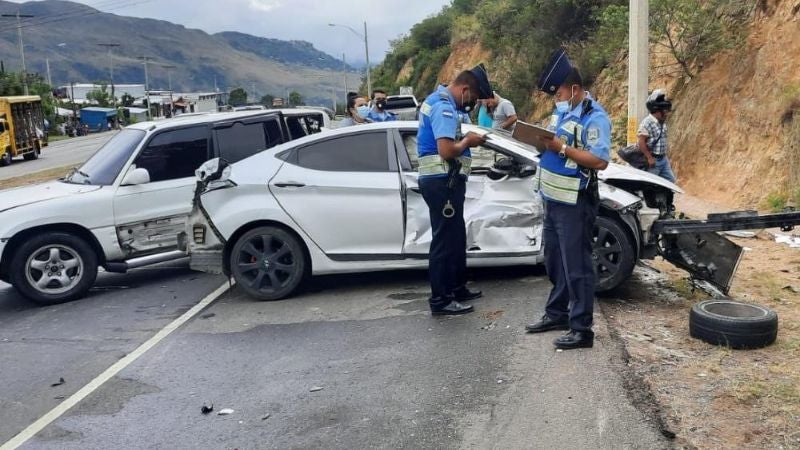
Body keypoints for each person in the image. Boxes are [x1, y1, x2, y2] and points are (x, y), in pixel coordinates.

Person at [525, 49, 611, 350]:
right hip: (552, 199)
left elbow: (599, 161)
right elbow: (552, 143)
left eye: (559, 94)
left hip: (575, 202)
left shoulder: (594, 117)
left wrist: (561, 148)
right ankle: (557, 313)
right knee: (555, 261)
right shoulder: (562, 112)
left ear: (574, 90)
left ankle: (581, 329)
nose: (556, 99)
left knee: (577, 267)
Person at [417, 64, 493, 316]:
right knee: (444, 242)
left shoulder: (442, 102)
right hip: (442, 183)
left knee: (456, 237)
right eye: (473, 97)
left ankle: (457, 288)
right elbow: (447, 150)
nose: (472, 103)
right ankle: (441, 300)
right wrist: (468, 142)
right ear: (464, 90)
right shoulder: (443, 107)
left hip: (446, 182)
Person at [637, 89, 675, 182]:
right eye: (664, 111)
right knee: (651, 184)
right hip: (654, 160)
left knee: (670, 181)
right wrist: (649, 158)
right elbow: (641, 142)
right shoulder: (647, 123)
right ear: (657, 111)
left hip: (663, 159)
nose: (666, 113)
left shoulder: (662, 122)